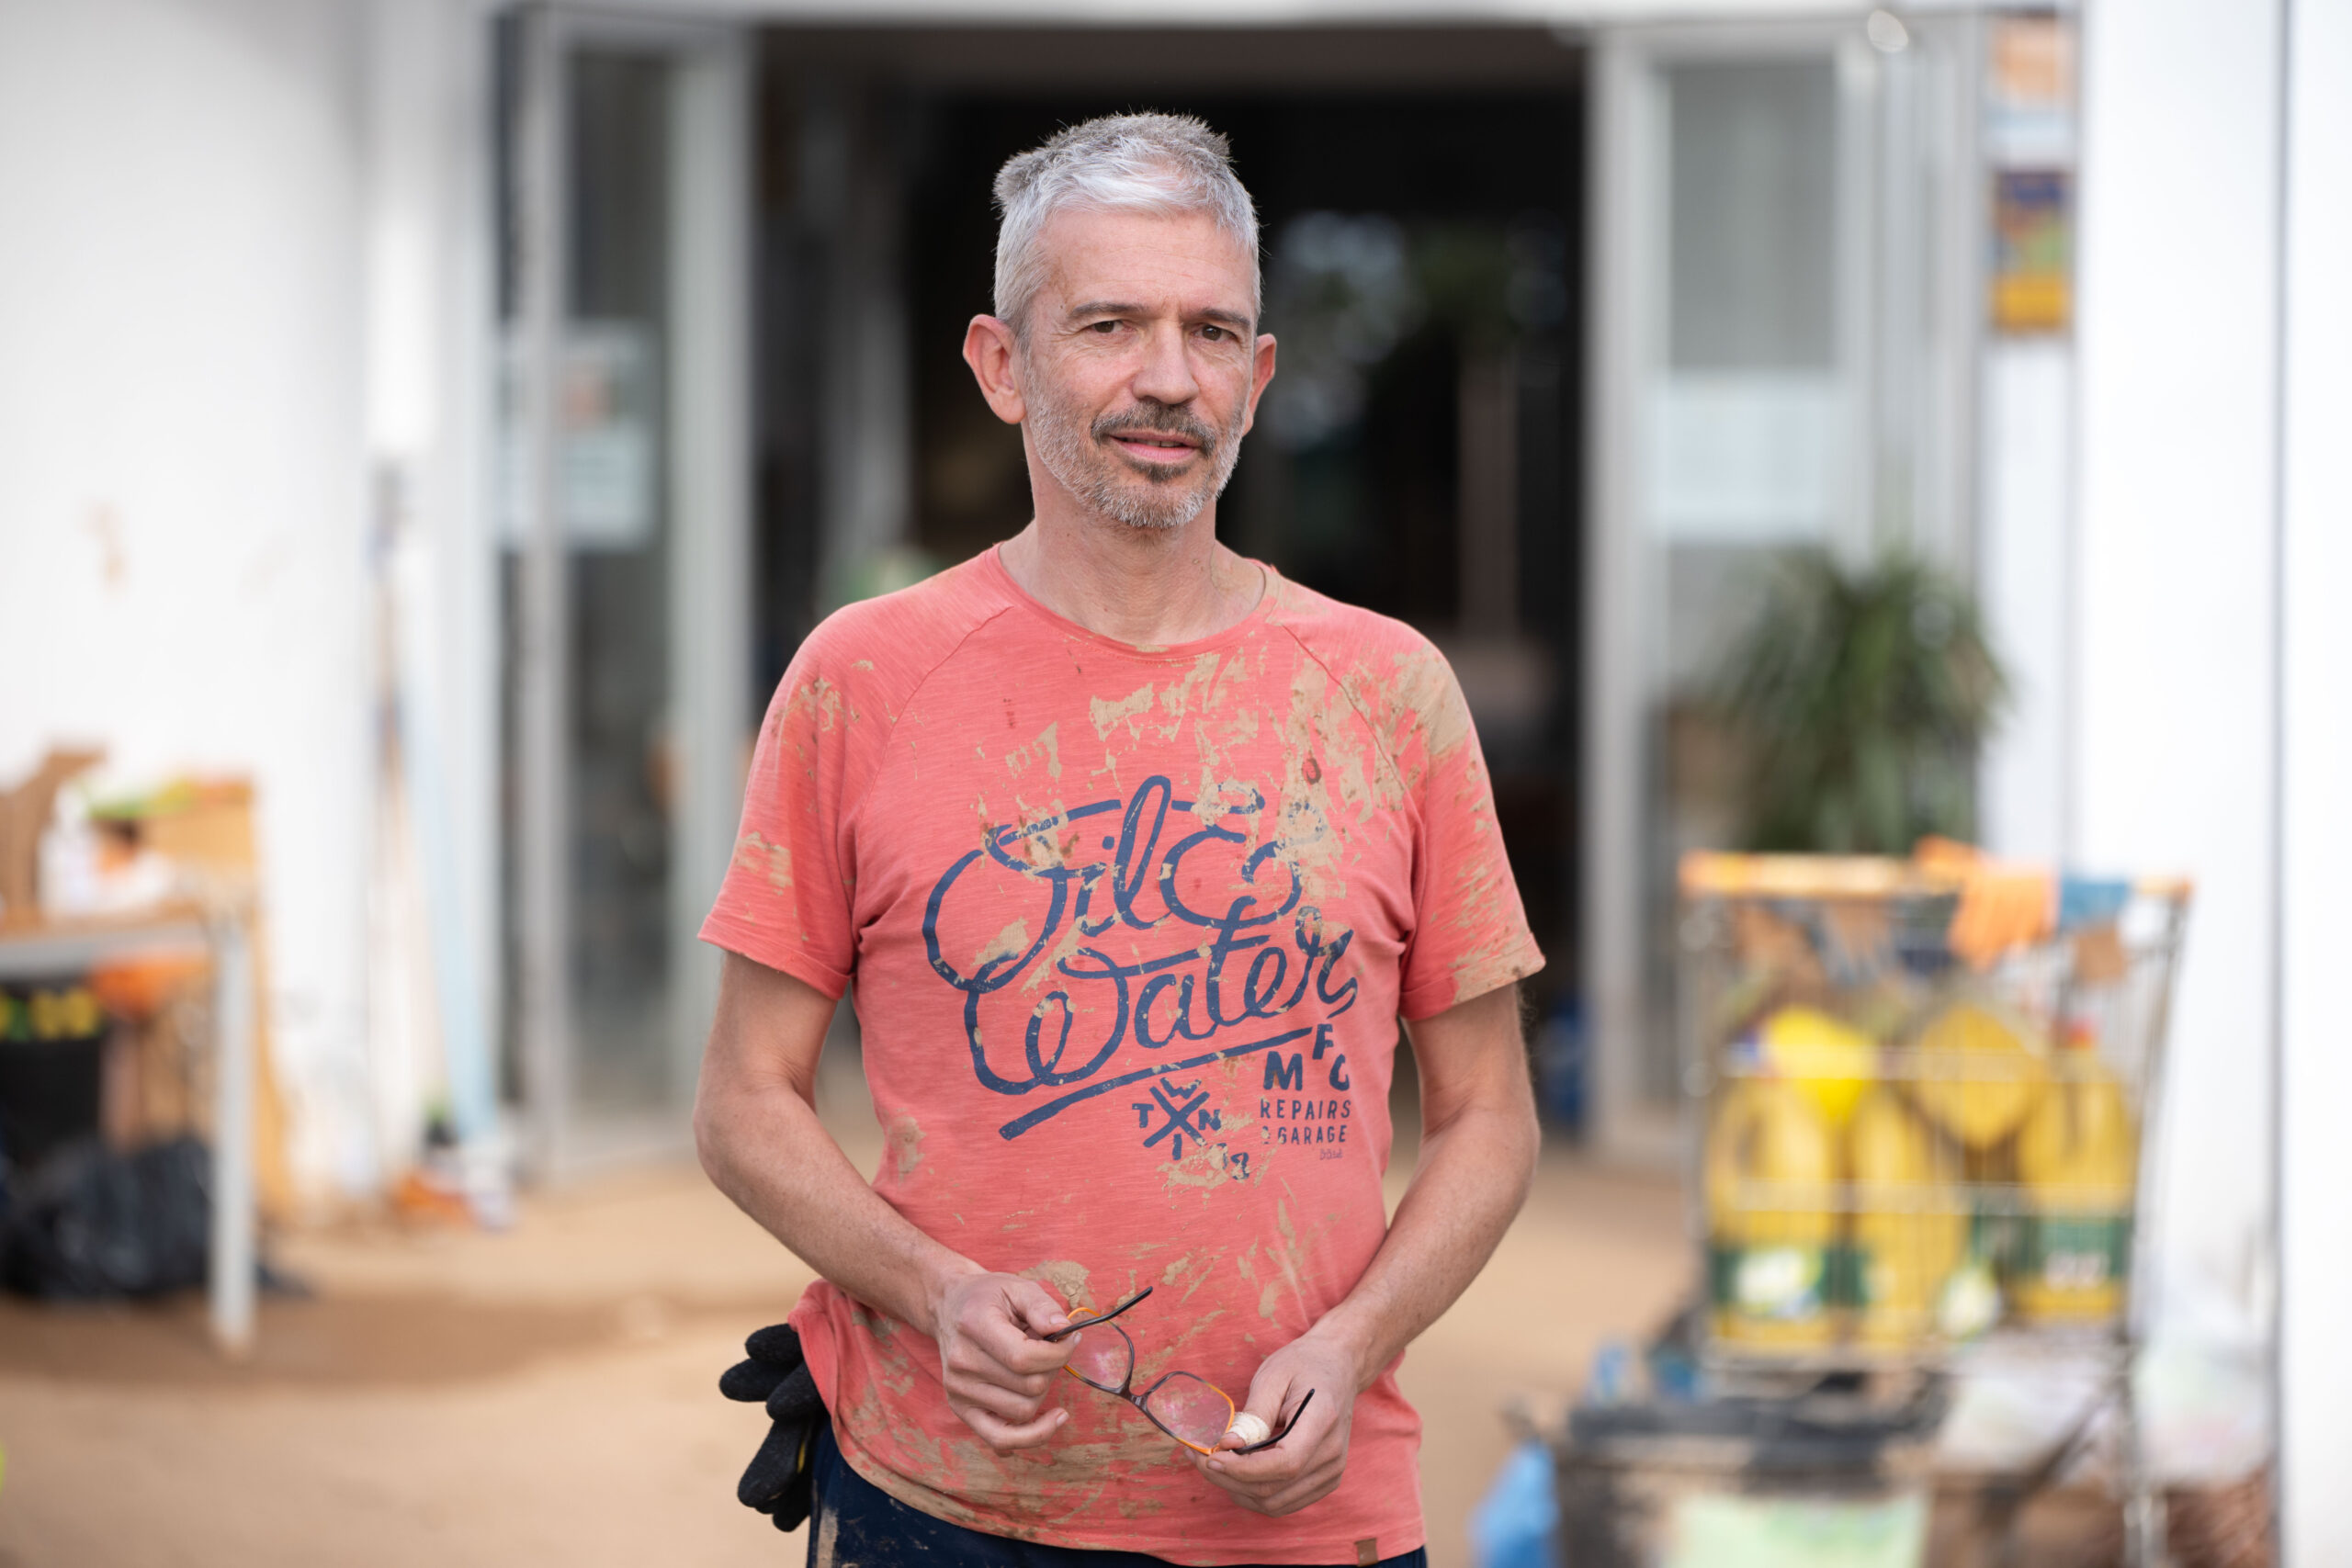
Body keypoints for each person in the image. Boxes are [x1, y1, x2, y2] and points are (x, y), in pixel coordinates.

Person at [695, 112, 1543, 1568]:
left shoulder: (1391, 691)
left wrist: (1354, 1342)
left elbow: (1490, 1116)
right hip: (942, 1505)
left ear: (1260, 378)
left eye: (1212, 331)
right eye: (1109, 325)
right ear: (1001, 366)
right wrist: (929, 1288)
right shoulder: (866, 678)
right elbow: (743, 1103)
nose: (1168, 379)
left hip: (1308, 1519)